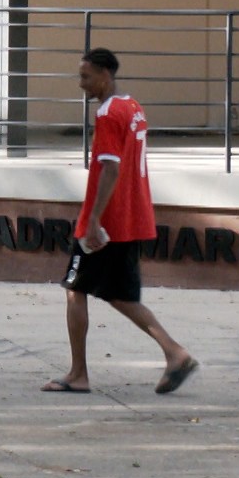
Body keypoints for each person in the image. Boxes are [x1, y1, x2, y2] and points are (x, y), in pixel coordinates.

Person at [41, 48, 199, 396]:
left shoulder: (109, 112)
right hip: (132, 216)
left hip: (108, 221)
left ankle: (79, 374)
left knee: (75, 289)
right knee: (120, 295)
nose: (81, 84)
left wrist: (94, 218)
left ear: (104, 75)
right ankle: (175, 353)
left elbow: (110, 167)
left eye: (86, 76)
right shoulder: (133, 107)